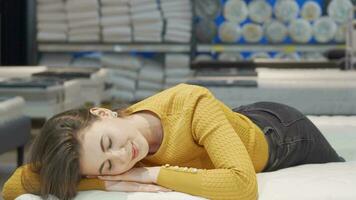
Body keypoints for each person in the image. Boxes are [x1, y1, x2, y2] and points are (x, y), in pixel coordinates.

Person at [2, 83, 345, 200]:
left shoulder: (191, 103)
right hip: (227, 124)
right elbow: (16, 183)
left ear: (104, 113)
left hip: (282, 133)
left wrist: (147, 176)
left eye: (109, 143)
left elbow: (242, 187)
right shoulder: (100, 158)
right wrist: (105, 180)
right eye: (107, 165)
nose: (122, 156)